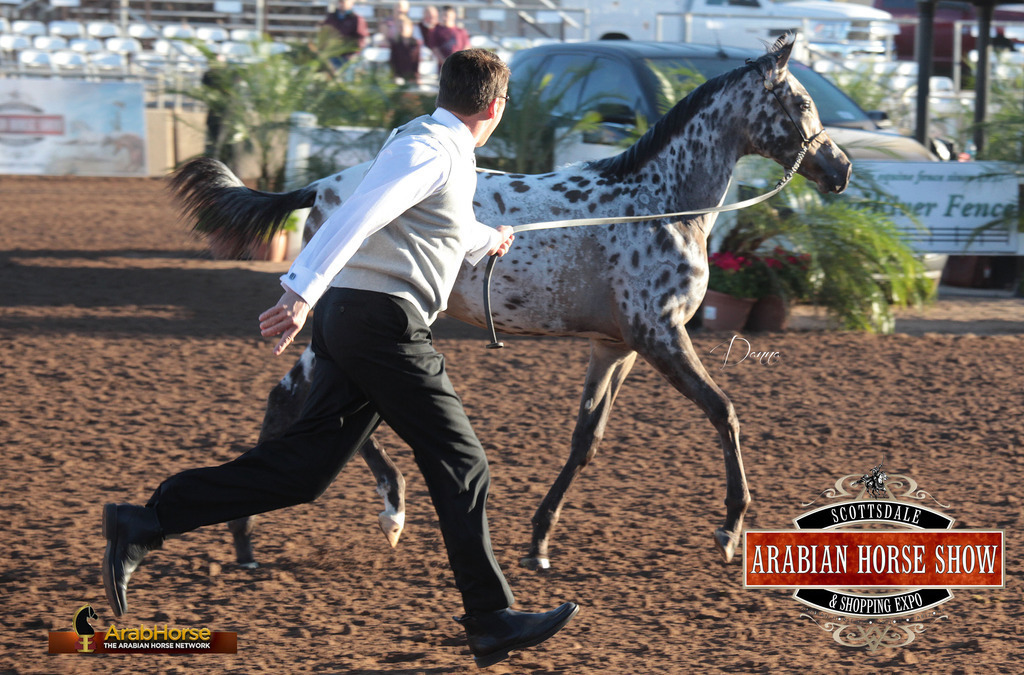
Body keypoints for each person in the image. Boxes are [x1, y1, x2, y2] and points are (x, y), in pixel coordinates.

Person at [101, 48, 579, 668]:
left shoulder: (432, 142)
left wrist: (492, 239)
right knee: (462, 460)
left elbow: (442, 224)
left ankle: (145, 522)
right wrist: (300, 290)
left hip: (357, 322)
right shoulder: (431, 150)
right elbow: (360, 213)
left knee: (302, 473)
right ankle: (490, 619)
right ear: (496, 105)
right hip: (382, 325)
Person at [322, 0, 369, 65]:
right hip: (332, 55)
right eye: (340, 1)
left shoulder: (357, 19)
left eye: (344, 1)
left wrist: (354, 53)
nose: (342, 4)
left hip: (348, 57)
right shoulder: (331, 18)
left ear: (351, 3)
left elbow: (361, 38)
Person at [430, 5, 470, 70]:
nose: (444, 18)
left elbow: (466, 47)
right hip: (444, 68)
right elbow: (435, 49)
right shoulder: (435, 31)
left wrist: (460, 61)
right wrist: (445, 63)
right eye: (442, 15)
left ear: (453, 15)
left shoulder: (461, 31)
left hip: (459, 67)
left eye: (446, 15)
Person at [388, 16, 421, 84]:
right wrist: (395, 75)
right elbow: (393, 61)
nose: (402, 28)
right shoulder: (395, 44)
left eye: (404, 26)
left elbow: (417, 61)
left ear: (410, 27)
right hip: (399, 76)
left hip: (412, 76)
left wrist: (416, 77)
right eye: (400, 26)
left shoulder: (415, 43)